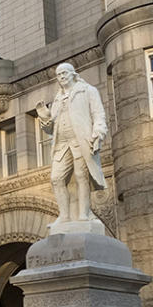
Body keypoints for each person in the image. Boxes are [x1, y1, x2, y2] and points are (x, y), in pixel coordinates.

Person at [35, 62, 108, 229]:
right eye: (58, 75)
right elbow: (50, 128)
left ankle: (84, 214)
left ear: (73, 73)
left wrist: (98, 133)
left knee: (82, 176)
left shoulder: (88, 91)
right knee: (56, 178)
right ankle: (65, 216)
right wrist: (45, 117)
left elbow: (99, 115)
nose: (61, 77)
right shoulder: (58, 98)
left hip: (80, 140)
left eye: (64, 73)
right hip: (62, 144)